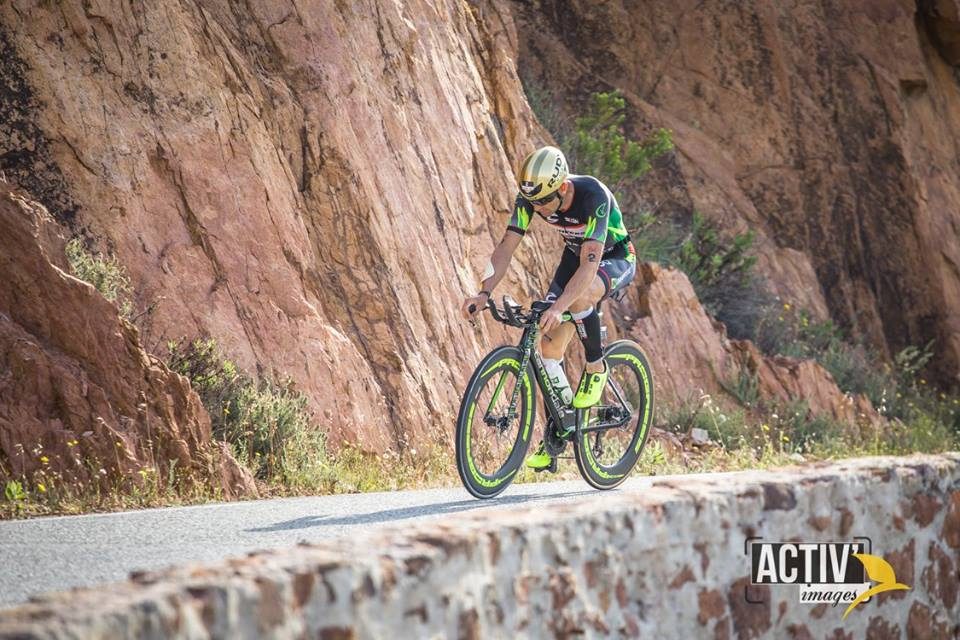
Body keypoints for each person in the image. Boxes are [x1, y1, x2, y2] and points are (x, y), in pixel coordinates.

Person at [461, 146, 638, 471]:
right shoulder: (531, 199)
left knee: (580, 298)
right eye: (535, 203)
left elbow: (589, 268)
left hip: (612, 257)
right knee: (547, 348)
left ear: (564, 188)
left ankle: (596, 367)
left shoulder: (592, 196)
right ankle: (563, 425)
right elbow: (506, 247)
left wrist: (560, 307)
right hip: (574, 257)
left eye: (545, 202)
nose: (539, 209)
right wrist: (483, 292)